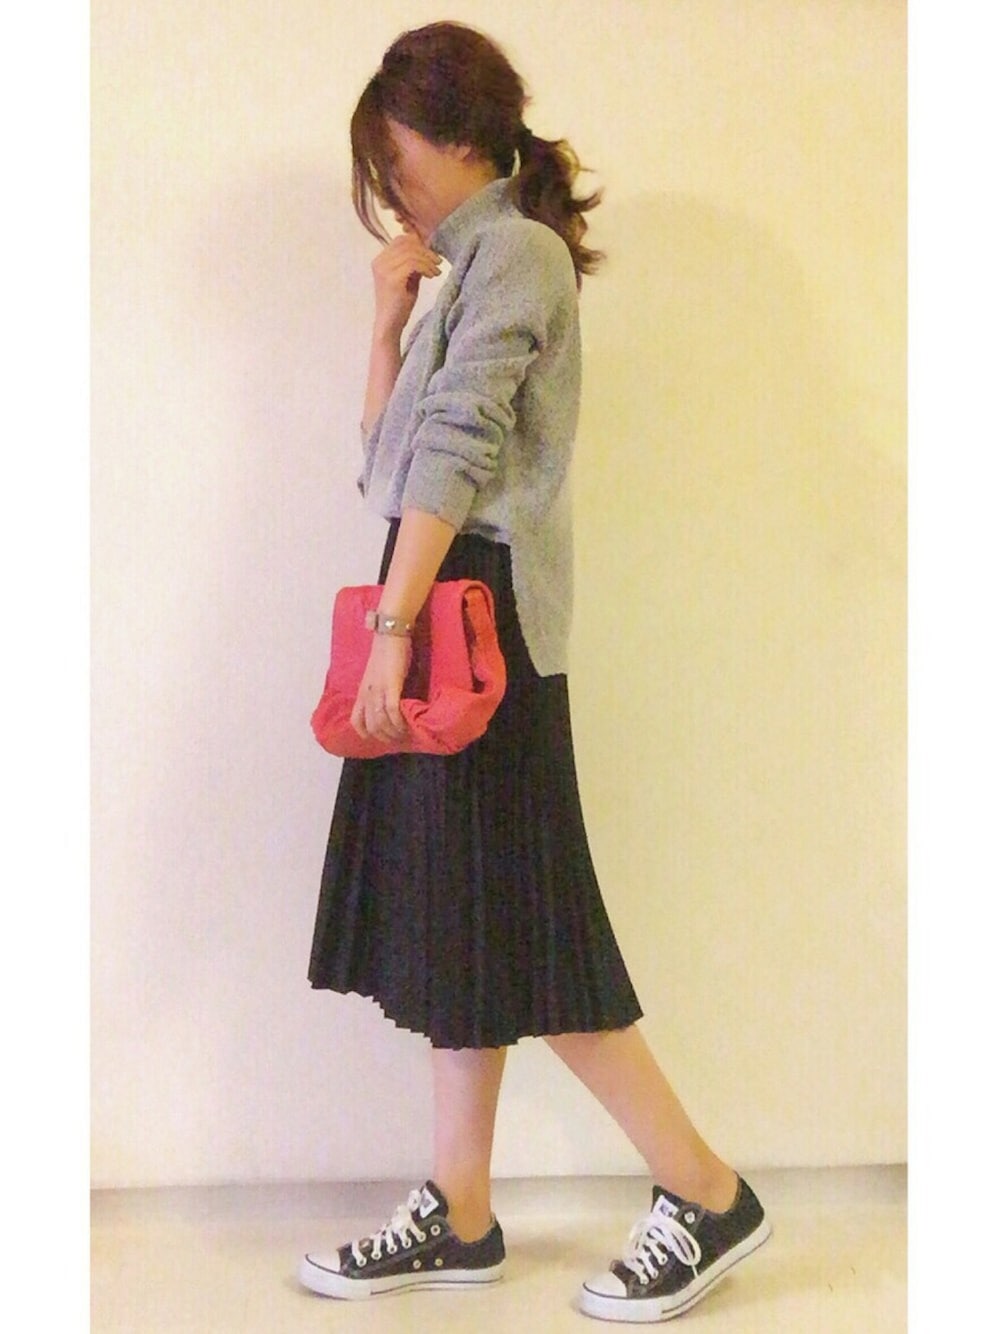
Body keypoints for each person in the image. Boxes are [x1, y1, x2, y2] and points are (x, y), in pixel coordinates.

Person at [299, 20, 770, 1323]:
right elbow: (390, 471)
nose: (390, 186)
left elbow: (454, 457)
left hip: (473, 624)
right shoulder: (468, 268)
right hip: (447, 601)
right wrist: (385, 326)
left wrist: (394, 628)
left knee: (531, 931)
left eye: (395, 158)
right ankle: (461, 1213)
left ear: (457, 135)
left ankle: (708, 1192)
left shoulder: (515, 253)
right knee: (466, 929)